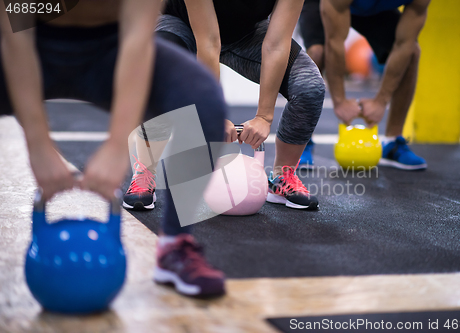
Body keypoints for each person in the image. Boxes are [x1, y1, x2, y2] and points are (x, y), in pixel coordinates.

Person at [0, 0, 226, 296]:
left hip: (111, 48)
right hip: (30, 41)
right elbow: (17, 36)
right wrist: (38, 143)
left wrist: (118, 145)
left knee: (202, 99)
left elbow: (137, 37)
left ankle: (175, 245)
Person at [122, 0, 326, 212]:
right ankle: (145, 173)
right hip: (182, 25)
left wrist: (264, 116)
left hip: (246, 33)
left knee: (309, 86)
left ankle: (282, 176)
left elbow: (277, 44)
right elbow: (209, 41)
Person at [298, 0, 429, 170]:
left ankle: (392, 143)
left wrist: (381, 102)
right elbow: (334, 42)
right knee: (317, 52)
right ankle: (300, 141)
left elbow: (404, 45)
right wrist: (340, 101)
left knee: (412, 52)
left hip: (371, 9)